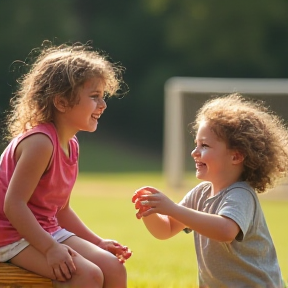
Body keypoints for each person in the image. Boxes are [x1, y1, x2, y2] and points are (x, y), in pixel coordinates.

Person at [0, 40, 131, 288]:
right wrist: (51, 248)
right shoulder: (40, 143)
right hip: (10, 235)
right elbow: (13, 206)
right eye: (94, 97)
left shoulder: (71, 144)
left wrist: (97, 241)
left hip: (44, 230)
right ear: (61, 102)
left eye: (102, 97)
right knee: (86, 275)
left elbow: (61, 211)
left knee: (113, 268)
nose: (102, 105)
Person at [132, 93, 288, 288]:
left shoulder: (241, 194)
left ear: (236, 156)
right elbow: (166, 229)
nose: (194, 152)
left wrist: (172, 208)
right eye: (196, 144)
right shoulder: (200, 194)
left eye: (204, 146)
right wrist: (150, 210)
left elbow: (225, 230)